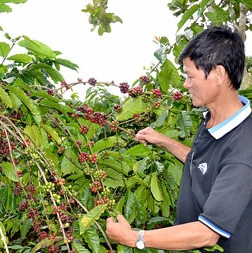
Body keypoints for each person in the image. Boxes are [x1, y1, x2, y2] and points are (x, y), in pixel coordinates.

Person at [105, 24, 252, 252]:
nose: (185, 84)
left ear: (219, 74)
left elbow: (207, 234)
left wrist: (134, 238)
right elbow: (204, 164)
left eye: (190, 76)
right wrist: (164, 140)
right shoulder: (214, 119)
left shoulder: (244, 149)